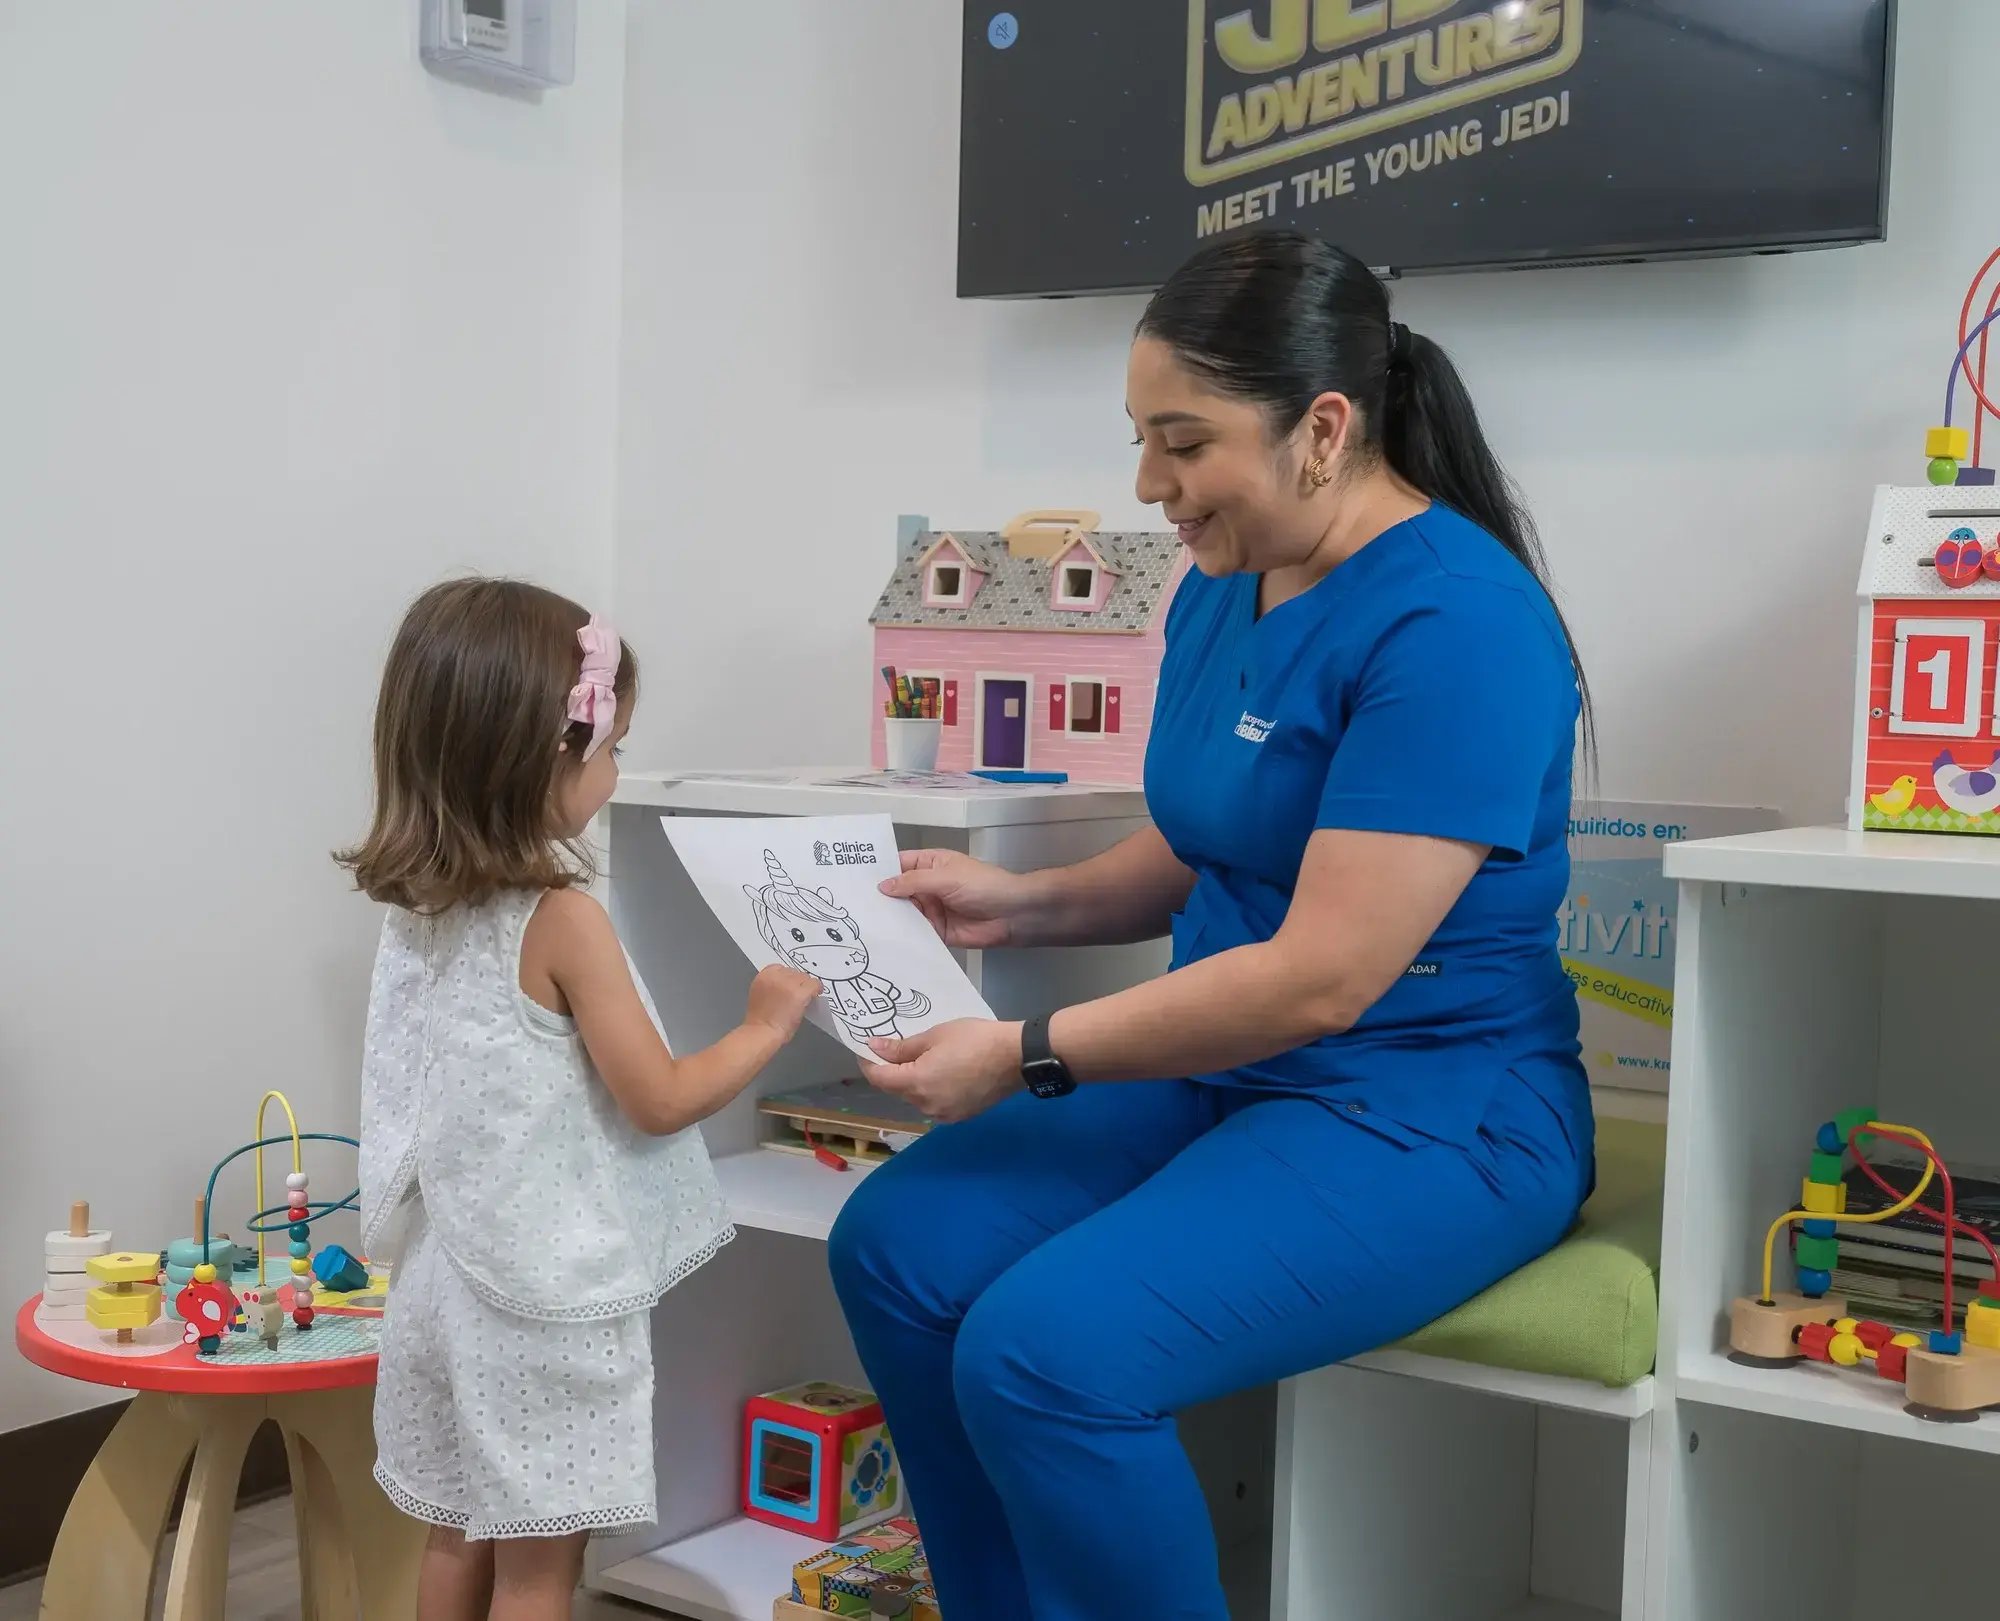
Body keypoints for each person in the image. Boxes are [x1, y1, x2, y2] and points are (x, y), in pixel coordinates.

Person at [829, 230, 1595, 1621]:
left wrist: (1023, 1050)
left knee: (1046, 1353)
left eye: (1180, 443)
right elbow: (1204, 844)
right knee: (895, 1247)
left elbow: (1322, 975)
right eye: (1140, 438)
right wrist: (1022, 900)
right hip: (1232, 1077)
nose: (1147, 486)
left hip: (1428, 1112)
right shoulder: (1219, 585)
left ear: (1323, 429)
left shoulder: (1459, 624)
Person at [335, 580, 820, 1621]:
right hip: (539, 1302)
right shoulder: (562, 922)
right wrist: (763, 1026)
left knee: (457, 1531)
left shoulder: (414, 908)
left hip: (439, 1282)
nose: (615, 774)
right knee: (540, 1569)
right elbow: (657, 1097)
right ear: (541, 758)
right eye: (609, 750)